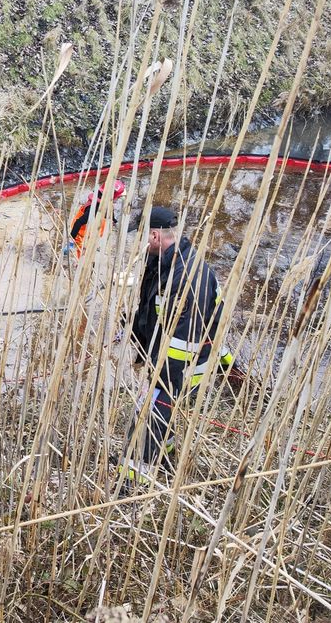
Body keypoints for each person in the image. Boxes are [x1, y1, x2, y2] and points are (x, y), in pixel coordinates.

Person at [120, 206, 237, 484]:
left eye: (142, 237)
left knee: (147, 418)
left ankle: (133, 480)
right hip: (165, 362)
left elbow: (185, 341)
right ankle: (165, 453)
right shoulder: (162, 264)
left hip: (183, 367)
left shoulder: (188, 276)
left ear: (154, 235)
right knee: (163, 415)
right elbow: (153, 310)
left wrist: (162, 381)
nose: (140, 244)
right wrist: (133, 327)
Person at [68, 179, 126, 258]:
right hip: (82, 233)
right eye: (118, 198)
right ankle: (79, 263)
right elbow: (78, 222)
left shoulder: (105, 201)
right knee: (83, 255)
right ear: (112, 196)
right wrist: (71, 241)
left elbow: (110, 211)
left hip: (92, 232)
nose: (118, 199)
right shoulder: (94, 209)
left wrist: (114, 221)